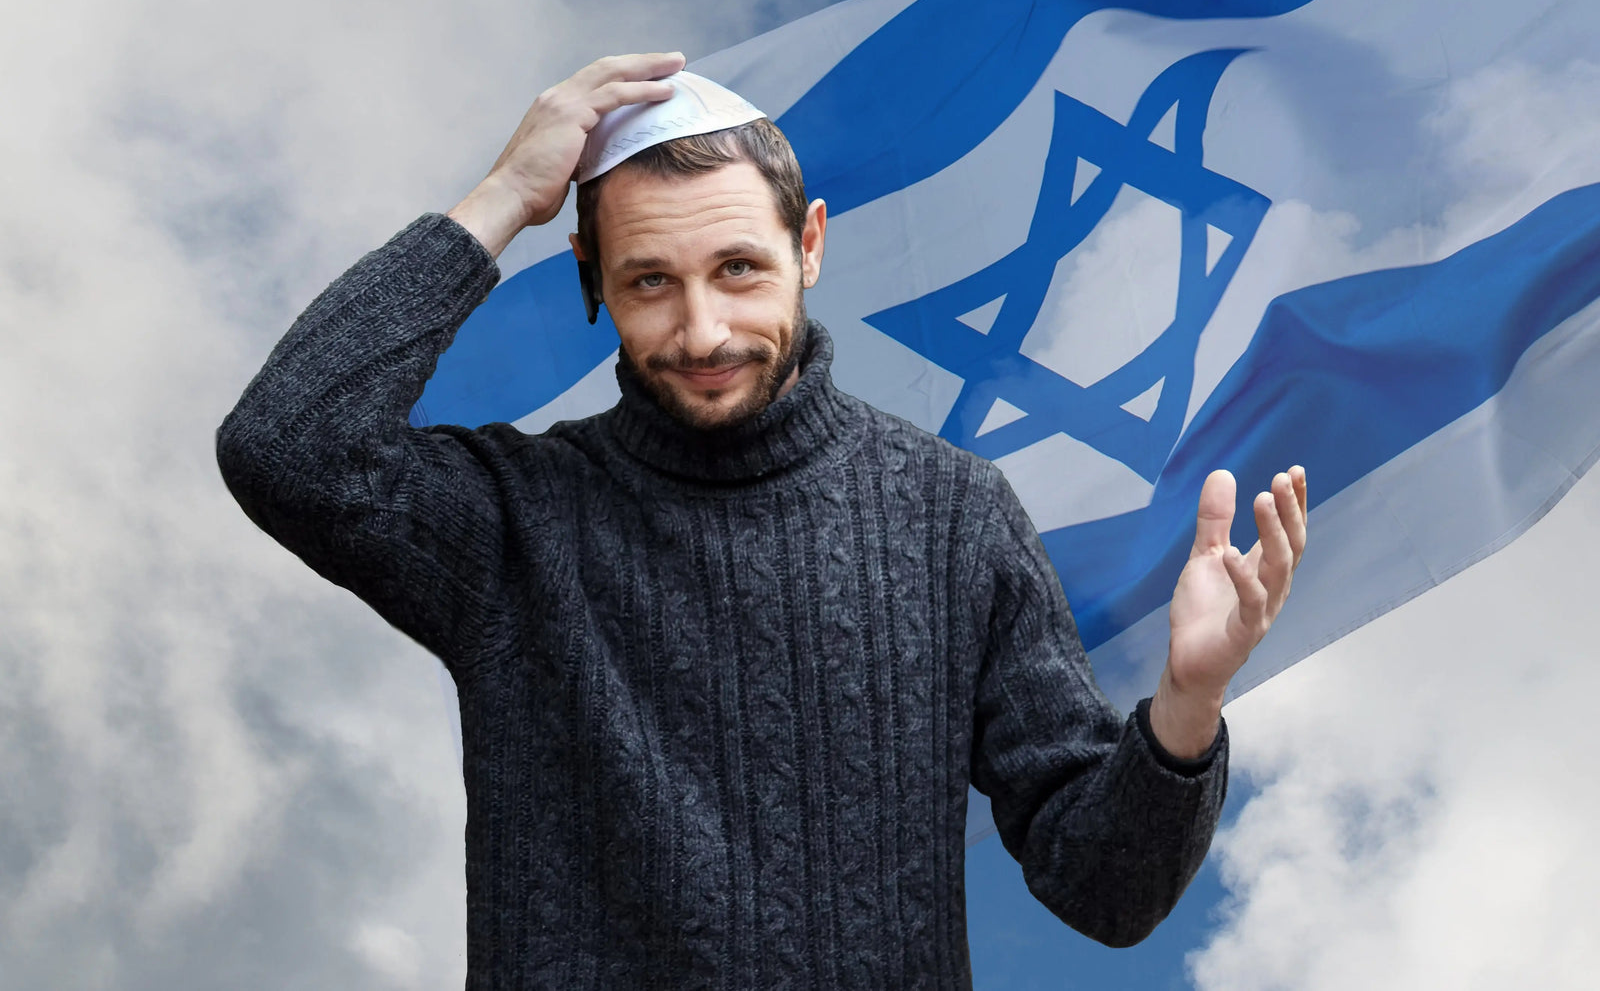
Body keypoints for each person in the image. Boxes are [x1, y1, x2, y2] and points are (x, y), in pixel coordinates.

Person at [216, 51, 1308, 989]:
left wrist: (1185, 704)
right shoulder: (512, 521)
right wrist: (503, 196)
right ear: (592, 280)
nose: (702, 328)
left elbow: (1103, 889)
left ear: (810, 246)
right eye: (650, 281)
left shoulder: (950, 515)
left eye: (738, 269)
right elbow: (286, 445)